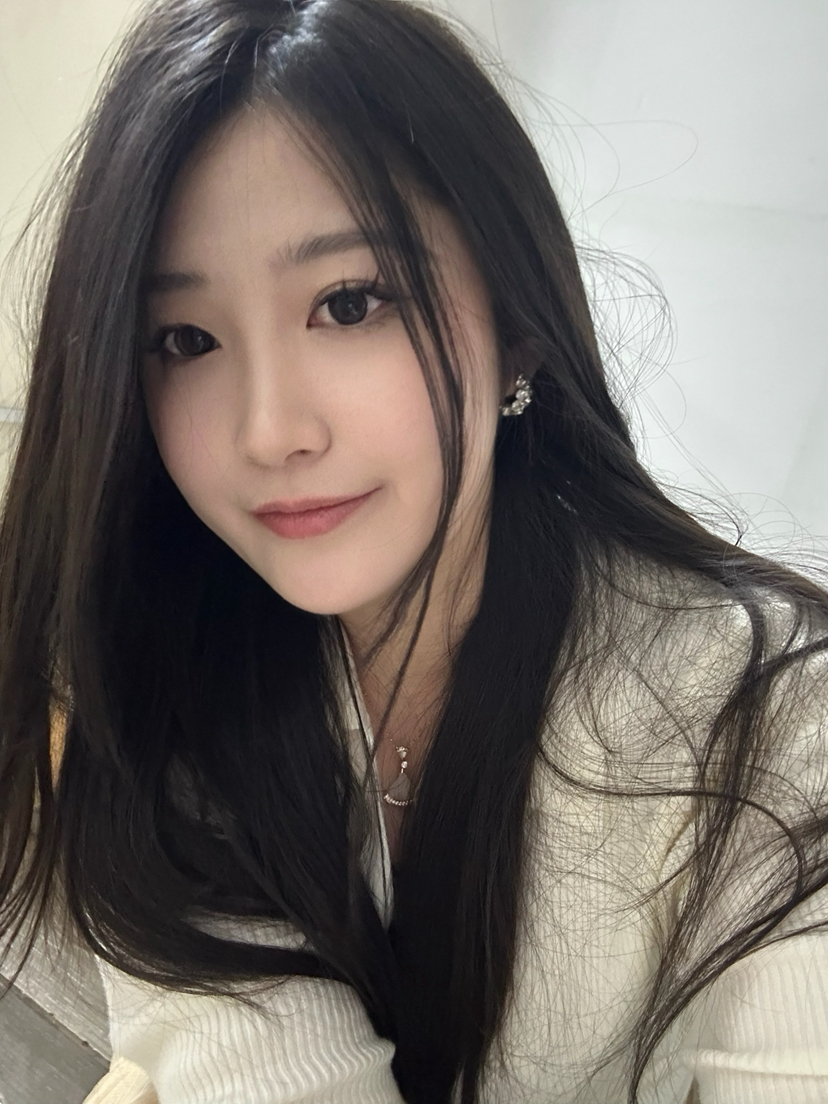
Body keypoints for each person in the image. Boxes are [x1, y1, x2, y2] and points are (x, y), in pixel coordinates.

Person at [0, 0, 826, 1101]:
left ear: (516, 325)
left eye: (350, 303)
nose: (269, 432)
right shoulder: (157, 671)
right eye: (185, 340)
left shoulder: (773, 728)